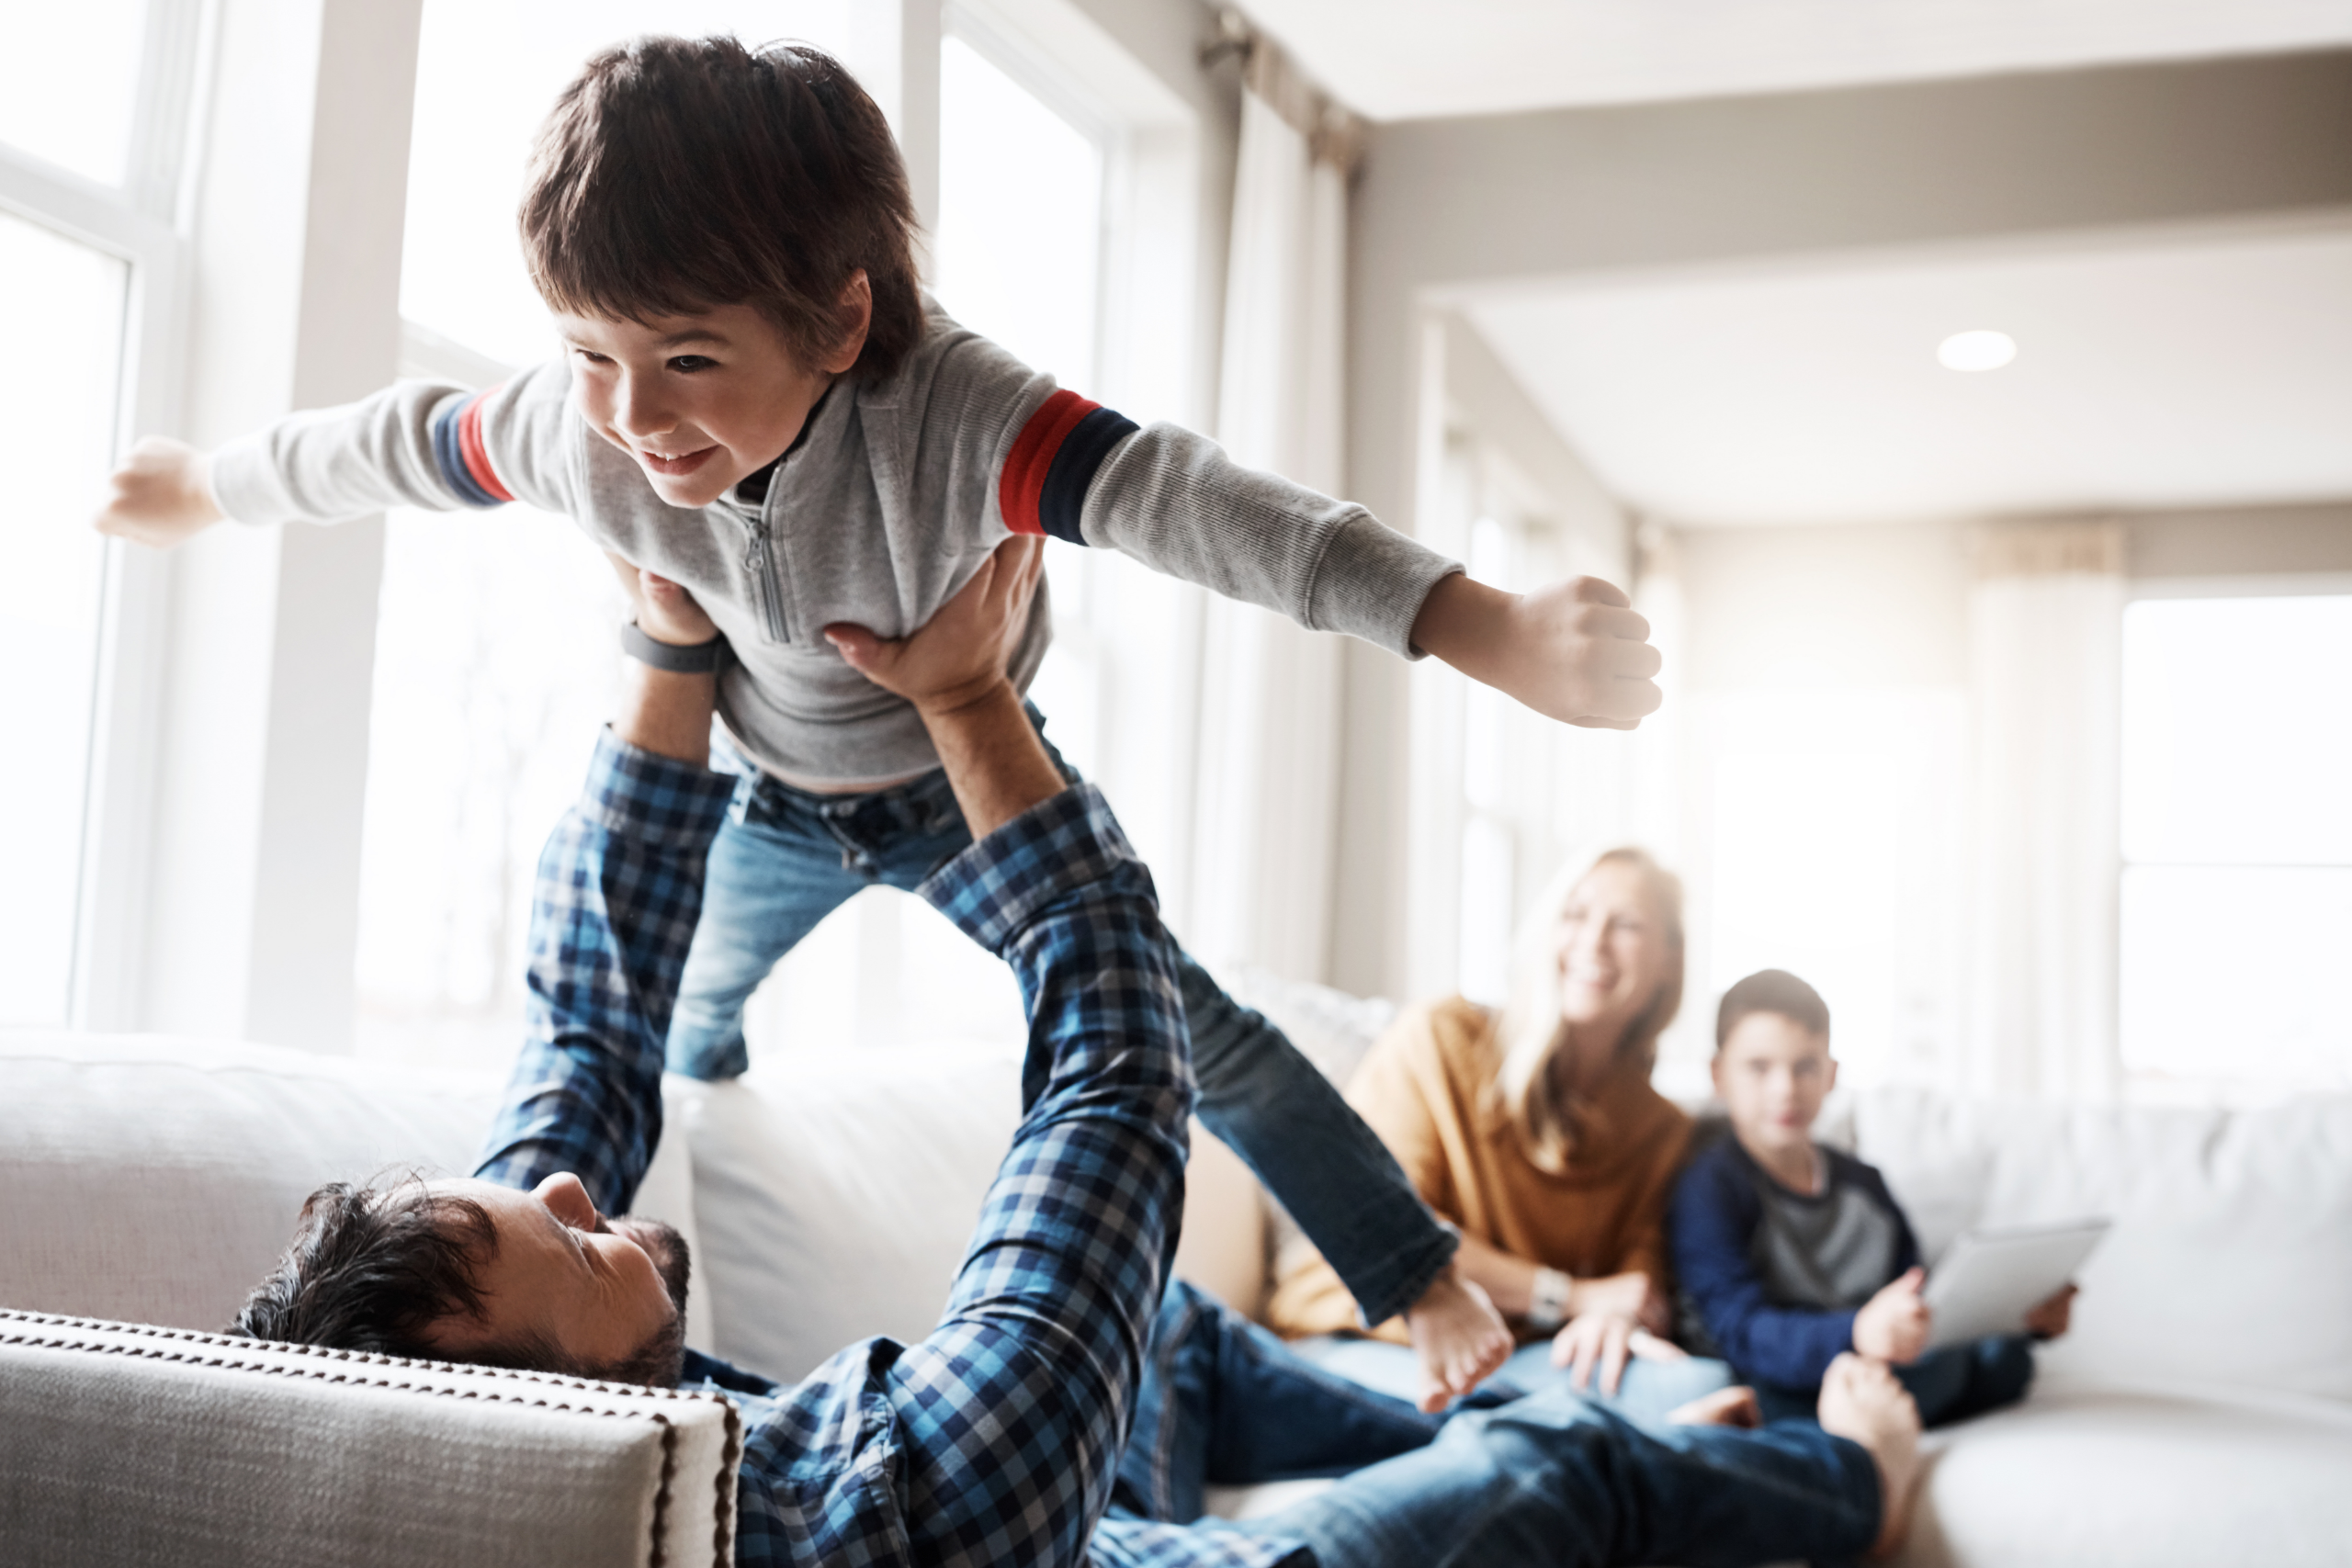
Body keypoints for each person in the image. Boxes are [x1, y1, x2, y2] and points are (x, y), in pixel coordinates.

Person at [90, 33, 1674, 1409]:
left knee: (1198, 1031)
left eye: (689, 360)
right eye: (592, 355)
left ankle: (1422, 1279)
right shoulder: (577, 430)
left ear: (842, 324)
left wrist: (1477, 621)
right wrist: (207, 485)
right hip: (764, 792)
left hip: (953, 784)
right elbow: (389, 444)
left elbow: (1210, 507)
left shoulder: (957, 418)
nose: (636, 420)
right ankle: (680, 1177)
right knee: (679, 1031)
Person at [231, 547, 1926, 1568]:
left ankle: (1564, 1439)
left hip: (1083, 1495)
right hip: (1091, 1546)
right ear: (571, 1417)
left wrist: (675, 641)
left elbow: (589, 1030)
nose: (575, 1184)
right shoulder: (903, 1504)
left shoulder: (500, 1427)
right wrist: (973, 711)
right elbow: (1119, 1071)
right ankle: (1856, 1476)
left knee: (1176, 1331)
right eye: (565, 1239)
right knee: (1543, 1462)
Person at [1267, 849, 1736, 1423]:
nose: (1592, 941)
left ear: (1669, 957)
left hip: (1512, 1360)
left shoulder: (1661, 1129)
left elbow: (1639, 1280)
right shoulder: (1441, 1040)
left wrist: (1611, 1318)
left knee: (1699, 1388)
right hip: (1366, 1340)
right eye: (1575, 915)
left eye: (1626, 924)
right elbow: (1387, 1225)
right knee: (1549, 1427)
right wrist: (1571, 1298)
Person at [1669, 968, 2076, 1427]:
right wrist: (1857, 1332)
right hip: (1777, 1372)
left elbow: (1915, 1293)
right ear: (1717, 1075)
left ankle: (1898, 1400)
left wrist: (2014, 1314)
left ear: (1831, 1075)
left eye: (1805, 1067)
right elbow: (1742, 1330)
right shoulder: (1711, 1187)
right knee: (1754, 1391)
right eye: (1759, 1068)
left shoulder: (1864, 1184)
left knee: (2006, 1359)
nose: (1785, 1088)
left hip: (1877, 1363)